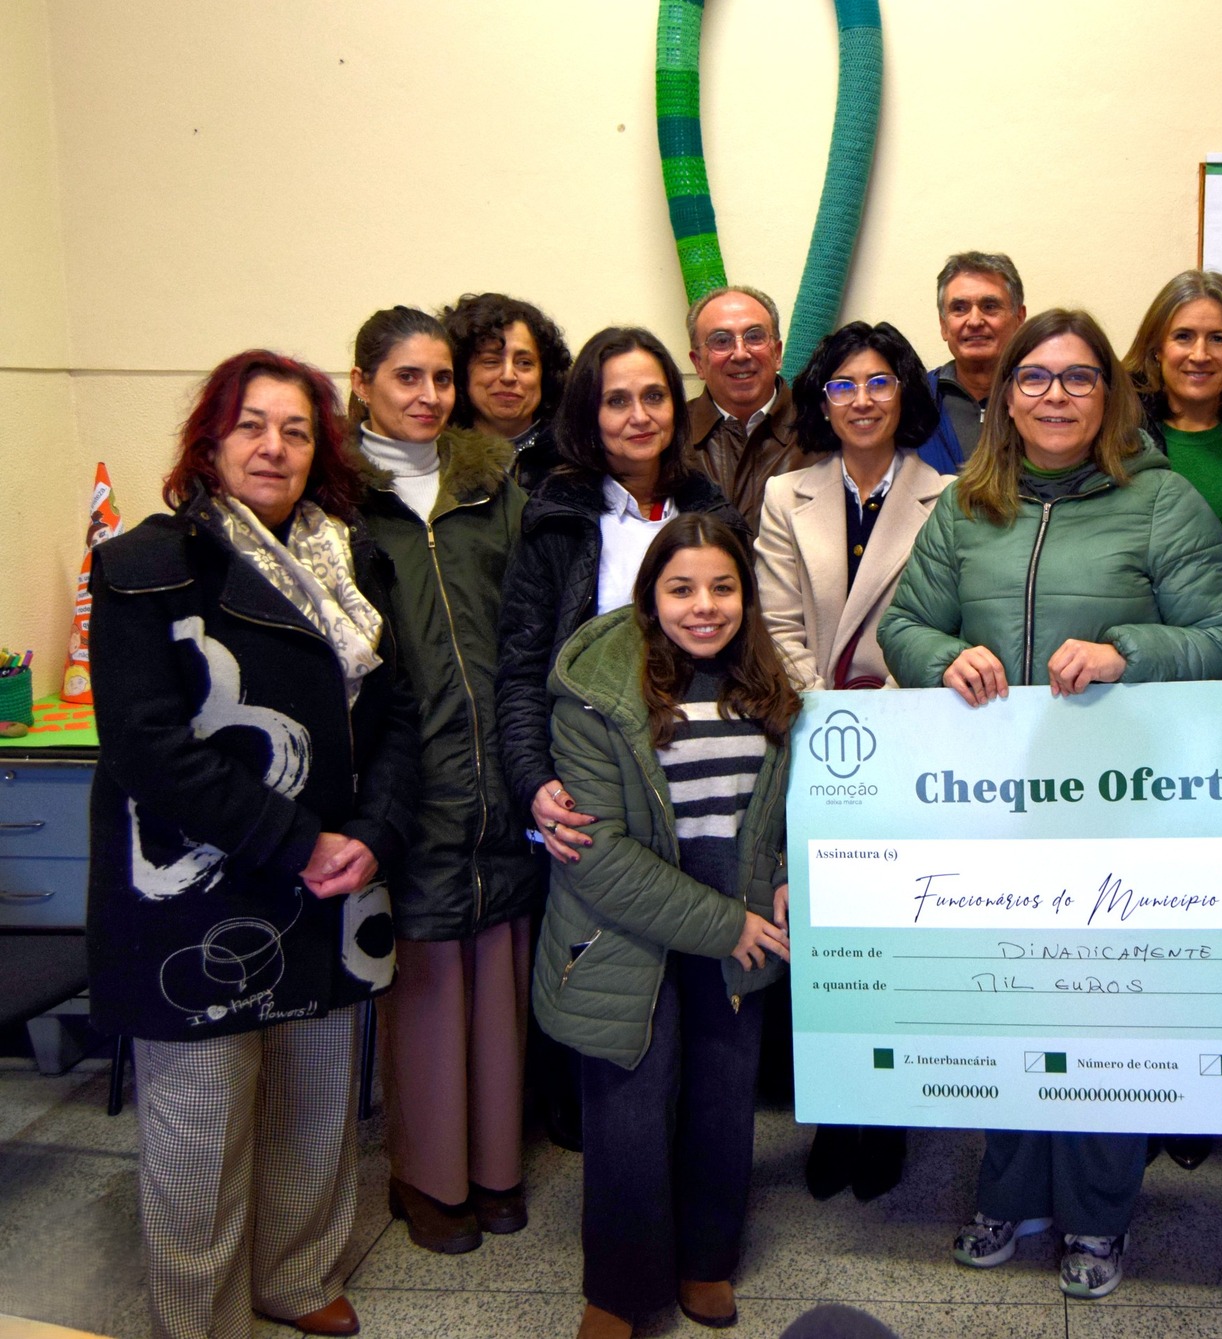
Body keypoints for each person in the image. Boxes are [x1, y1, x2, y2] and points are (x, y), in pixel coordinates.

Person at [880, 309, 1222, 1299]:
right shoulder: (967, 507)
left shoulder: (1160, 501)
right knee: (1009, 999)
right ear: (1004, 397)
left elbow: (1221, 635)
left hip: (1119, 810)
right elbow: (904, 624)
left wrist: (1128, 650)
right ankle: (1010, 1191)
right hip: (997, 809)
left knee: (1104, 1011)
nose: (1055, 395)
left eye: (1078, 377)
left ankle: (1097, 1211)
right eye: (1034, 377)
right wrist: (941, 656)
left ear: (1108, 394)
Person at [87, 350, 417, 1339]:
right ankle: (202, 1319)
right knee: (201, 1128)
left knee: (315, 1103)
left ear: (321, 450)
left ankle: (295, 1272)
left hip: (331, 882)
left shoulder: (353, 563)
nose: (274, 447)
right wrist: (298, 840)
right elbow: (146, 746)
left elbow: (397, 718)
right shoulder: (145, 564)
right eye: (251, 426)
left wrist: (372, 833)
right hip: (197, 889)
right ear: (212, 442)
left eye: (296, 430)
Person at [532, 514, 797, 1338]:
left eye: (723, 587)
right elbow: (597, 853)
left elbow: (787, 806)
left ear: (746, 596)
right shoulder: (596, 685)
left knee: (723, 1095)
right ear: (650, 594)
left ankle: (706, 1258)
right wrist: (725, 924)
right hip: (631, 923)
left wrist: (787, 872)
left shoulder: (768, 679)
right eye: (682, 588)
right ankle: (619, 1288)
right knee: (629, 1110)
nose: (704, 606)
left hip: (742, 914)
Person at [345, 306, 541, 1252]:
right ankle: (427, 1177)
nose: (428, 396)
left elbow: (527, 622)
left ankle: (497, 1167)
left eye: (439, 379)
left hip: (498, 767)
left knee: (498, 980)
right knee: (423, 984)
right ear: (362, 383)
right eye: (406, 378)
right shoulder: (339, 499)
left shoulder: (493, 484)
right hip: (403, 773)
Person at [756, 320, 947, 1202]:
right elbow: (776, 622)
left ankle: (888, 1115)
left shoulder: (950, 496)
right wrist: (826, 712)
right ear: (822, 401)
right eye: (843, 385)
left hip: (910, 741)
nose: (862, 399)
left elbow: (945, 619)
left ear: (904, 393)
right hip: (816, 740)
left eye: (878, 382)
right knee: (828, 937)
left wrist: (887, 716)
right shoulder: (784, 494)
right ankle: (835, 1113)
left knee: (896, 934)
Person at [497, 326, 745, 868]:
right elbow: (522, 669)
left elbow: (751, 654)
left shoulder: (714, 515)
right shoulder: (556, 519)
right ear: (588, 415)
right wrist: (534, 779)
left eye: (654, 396)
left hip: (711, 775)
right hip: (597, 777)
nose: (640, 416)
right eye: (616, 401)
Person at [1124, 269, 1222, 528]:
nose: (1200, 355)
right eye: (1183, 337)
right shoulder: (1119, 431)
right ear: (1157, 349)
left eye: (1217, 338)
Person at [681, 284, 829, 529]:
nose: (740, 354)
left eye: (754, 336)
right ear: (698, 363)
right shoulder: (672, 436)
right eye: (721, 341)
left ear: (777, 354)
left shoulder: (824, 428)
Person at [443, 292, 575, 491]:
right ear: (462, 372)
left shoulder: (574, 459)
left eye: (524, 363)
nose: (508, 376)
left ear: (545, 374)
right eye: (491, 361)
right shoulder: (438, 456)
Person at [918, 251, 1027, 473]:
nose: (975, 321)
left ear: (1019, 318)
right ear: (944, 325)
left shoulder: (1045, 399)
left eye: (990, 306)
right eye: (959, 308)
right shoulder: (913, 400)